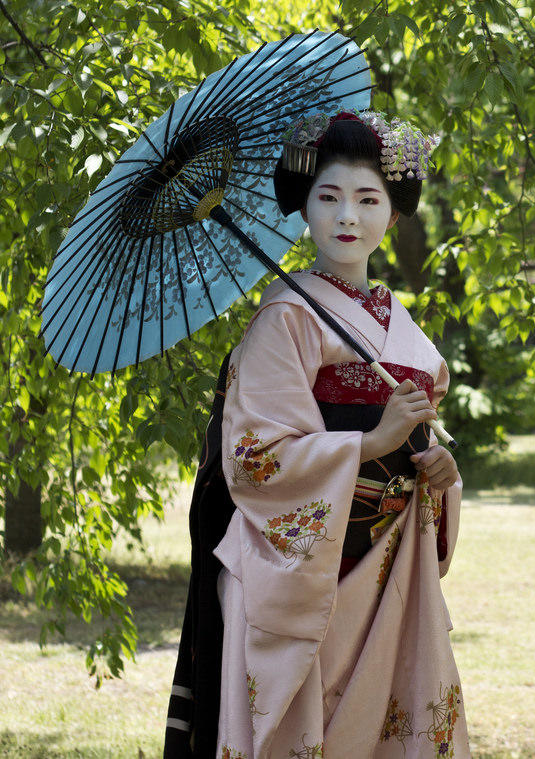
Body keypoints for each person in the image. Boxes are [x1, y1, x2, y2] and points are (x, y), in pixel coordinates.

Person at [164, 111, 468, 759]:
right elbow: (256, 458)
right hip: (302, 568)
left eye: (367, 200)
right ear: (304, 207)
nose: (346, 217)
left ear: (393, 213)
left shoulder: (399, 320)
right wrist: (370, 443)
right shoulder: (283, 318)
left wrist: (439, 472)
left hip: (383, 567)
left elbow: (419, 441)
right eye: (327, 197)